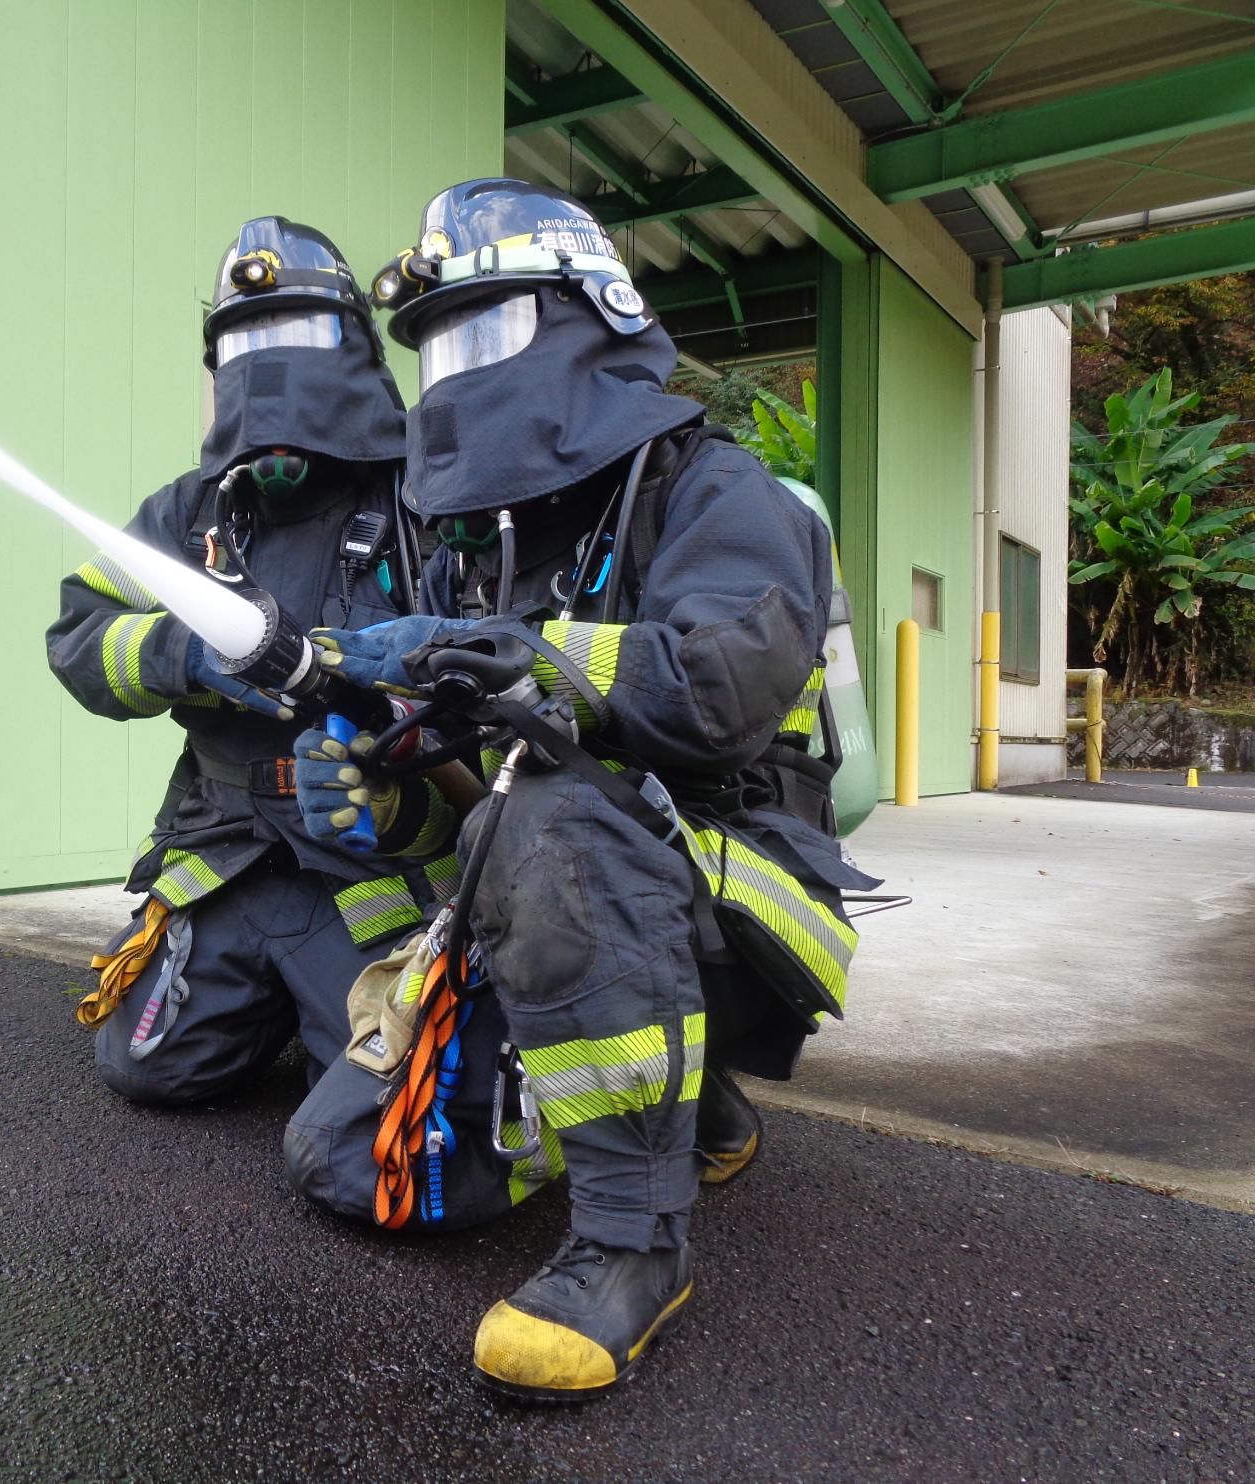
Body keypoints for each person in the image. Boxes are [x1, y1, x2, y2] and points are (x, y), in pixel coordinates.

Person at [283, 180, 871, 1401]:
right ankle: (701, 1112)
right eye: (439, 347)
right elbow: (494, 781)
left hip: (749, 875)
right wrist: (397, 796)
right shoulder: (497, 536)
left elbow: (722, 685)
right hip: (610, 878)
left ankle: (628, 1248)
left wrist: (545, 653)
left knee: (554, 830)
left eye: (484, 333)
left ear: (592, 316)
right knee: (344, 1158)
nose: (457, 374)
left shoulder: (717, 490)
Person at [43, 216, 463, 1111]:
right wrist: (178, 651)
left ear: (355, 347)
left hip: (367, 861)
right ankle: (264, 999)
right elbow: (79, 636)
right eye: (242, 343)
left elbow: (491, 663)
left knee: (387, 1110)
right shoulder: (191, 512)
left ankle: (328, 1009)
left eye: (296, 334)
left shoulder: (426, 494)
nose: (267, 367)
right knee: (143, 1068)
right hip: (225, 847)